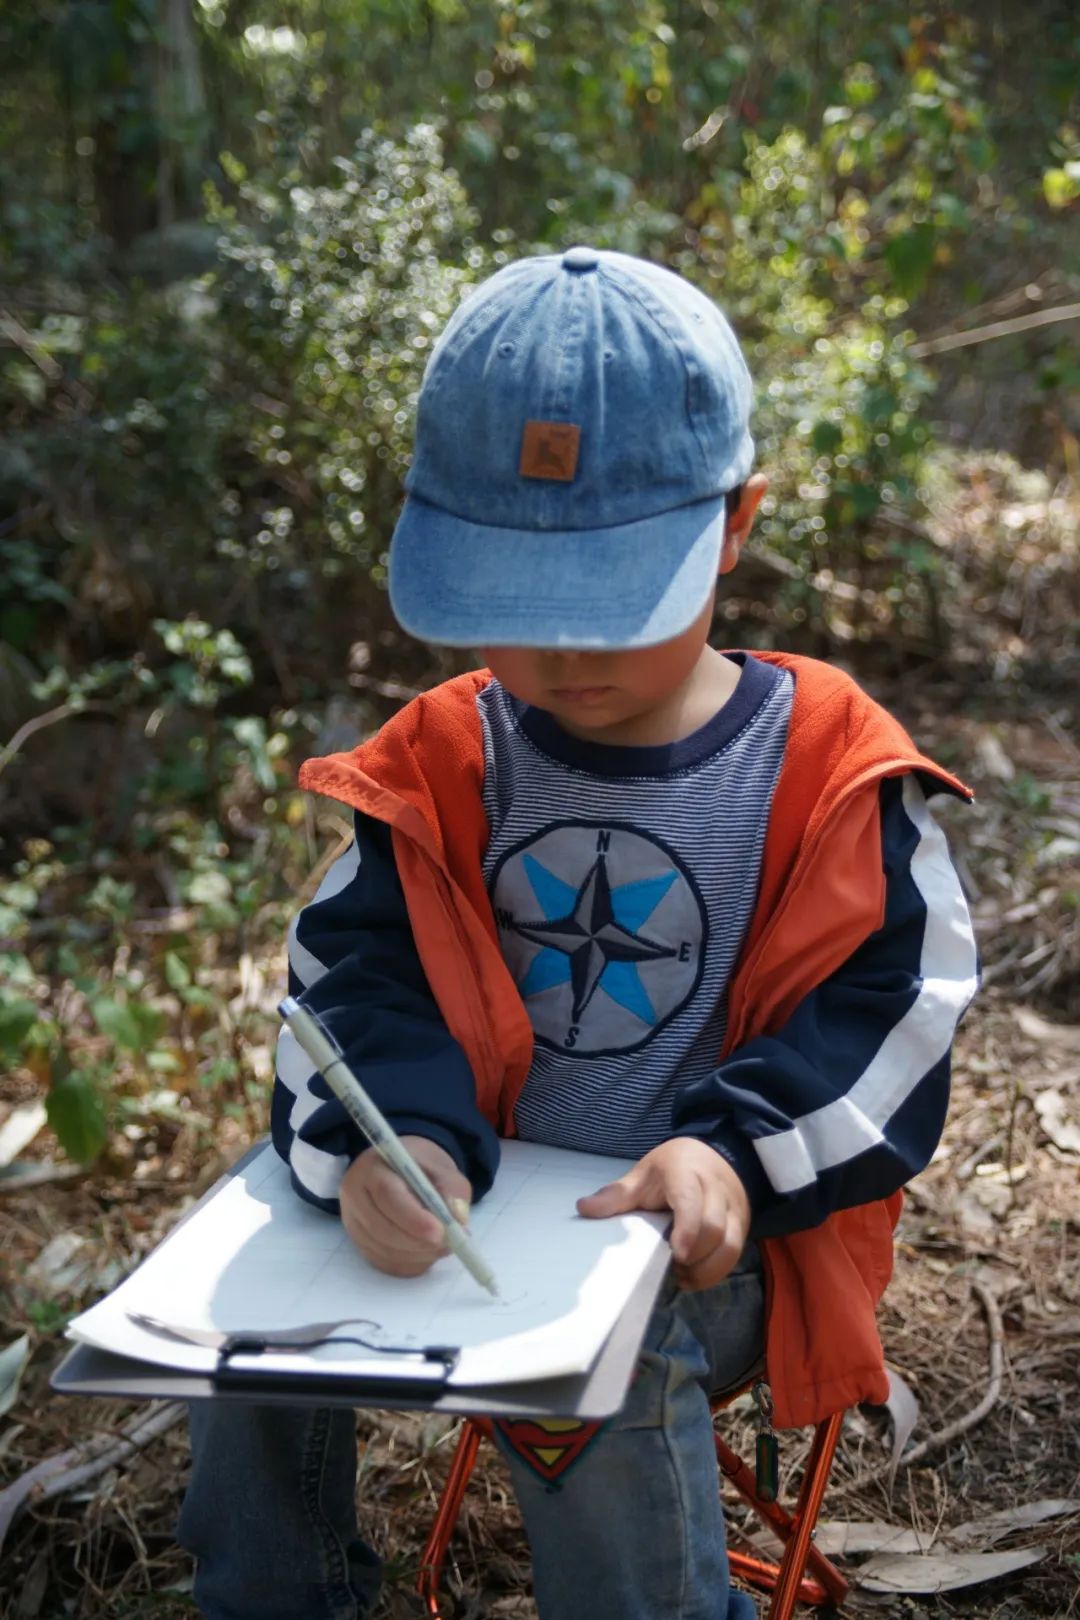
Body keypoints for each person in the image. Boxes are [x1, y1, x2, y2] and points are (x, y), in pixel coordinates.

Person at [179, 247, 979, 1620]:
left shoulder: (830, 766)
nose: (560, 659)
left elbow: (891, 1015)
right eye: (511, 605)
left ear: (735, 526)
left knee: (612, 1362)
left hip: (718, 1243)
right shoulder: (444, 759)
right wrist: (394, 1138)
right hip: (471, 1199)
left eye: (608, 602)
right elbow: (348, 983)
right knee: (244, 1330)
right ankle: (283, 1595)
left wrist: (731, 1149)